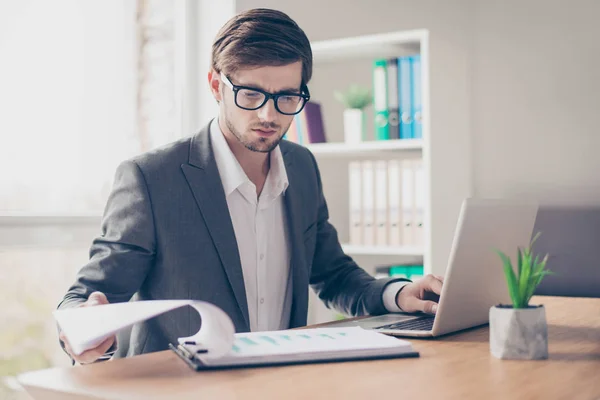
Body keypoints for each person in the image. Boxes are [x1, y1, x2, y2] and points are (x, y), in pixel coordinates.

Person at [58, 8, 444, 364]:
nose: (268, 114)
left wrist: (397, 294)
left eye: (287, 97)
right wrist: (82, 327)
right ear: (215, 85)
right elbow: (87, 296)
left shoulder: (302, 166)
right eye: (251, 94)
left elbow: (333, 274)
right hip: (182, 389)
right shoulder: (152, 179)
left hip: (279, 381)